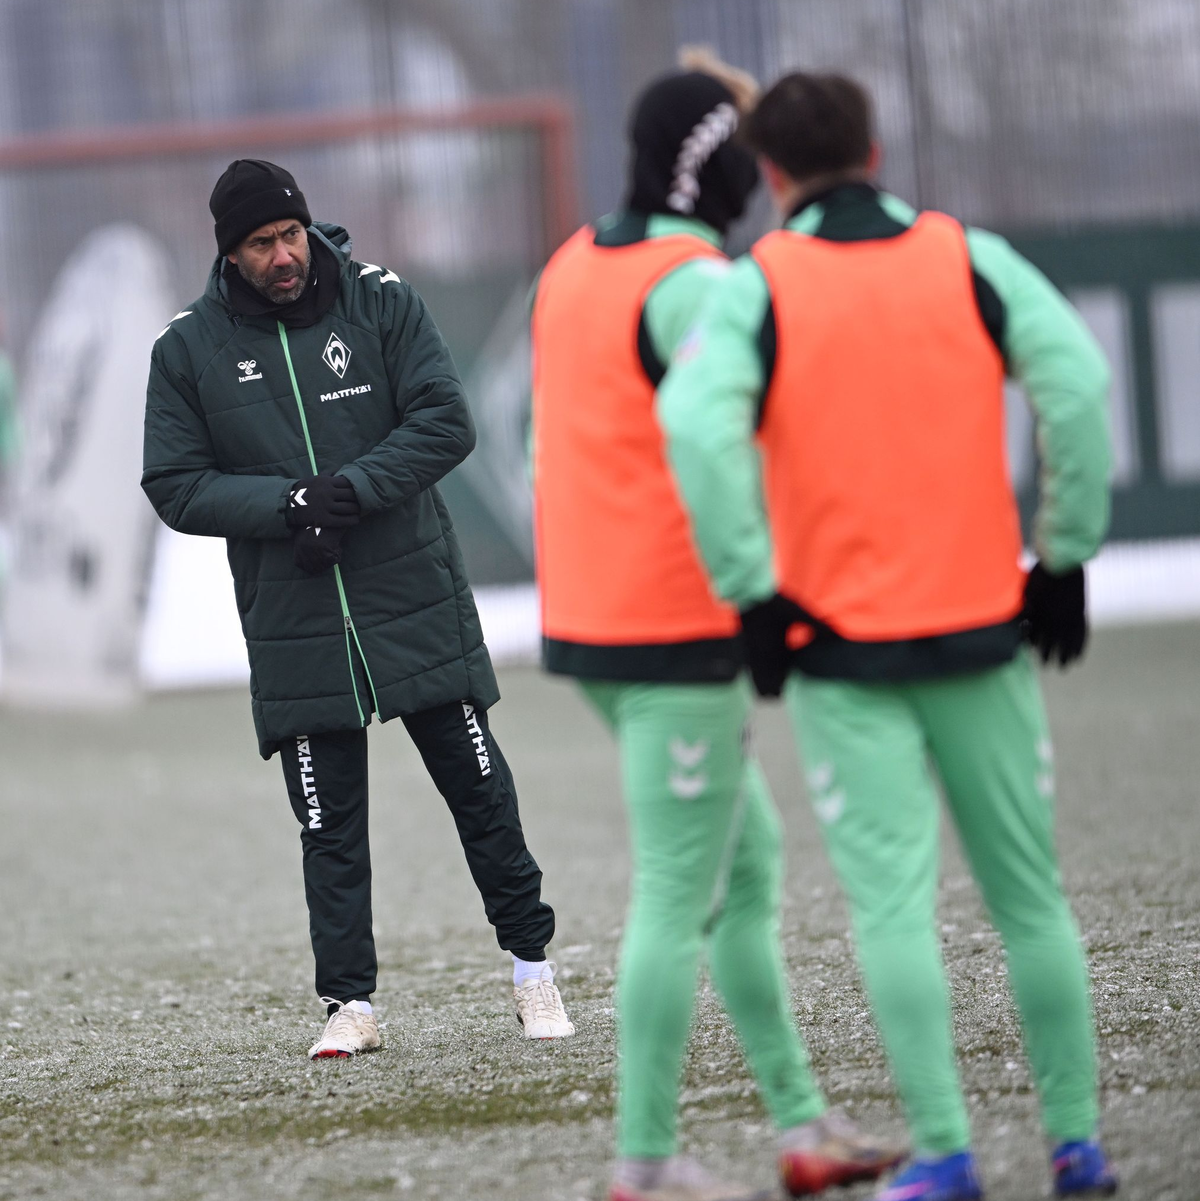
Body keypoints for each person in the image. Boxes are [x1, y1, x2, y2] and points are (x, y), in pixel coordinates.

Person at [659, 72, 1118, 1201]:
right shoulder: (970, 257)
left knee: (892, 908)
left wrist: (751, 590)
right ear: (873, 146)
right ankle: (1076, 1147)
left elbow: (696, 427)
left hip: (839, 649)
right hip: (984, 634)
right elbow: (1077, 384)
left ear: (770, 173)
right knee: (1031, 899)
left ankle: (950, 1157)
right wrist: (1063, 555)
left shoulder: (760, 280)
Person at [532, 51, 903, 1201]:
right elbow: (726, 447)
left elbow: (555, 451)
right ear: (721, 166)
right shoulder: (697, 281)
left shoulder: (573, 261)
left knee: (743, 873)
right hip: (675, 630)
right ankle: (642, 1166)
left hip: (596, 626)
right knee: (679, 890)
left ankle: (801, 1127)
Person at [142, 159, 573, 1059]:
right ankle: (350, 1005)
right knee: (326, 824)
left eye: (291, 234)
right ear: (229, 253)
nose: (284, 255)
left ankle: (534, 971)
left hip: (413, 597)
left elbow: (447, 420)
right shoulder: (186, 348)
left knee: (482, 792)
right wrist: (288, 505)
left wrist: (351, 489)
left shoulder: (382, 302)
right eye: (261, 244)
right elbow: (174, 484)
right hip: (294, 623)